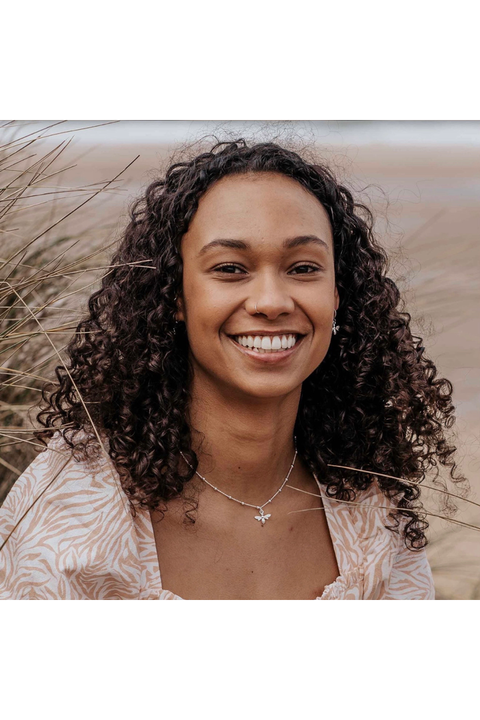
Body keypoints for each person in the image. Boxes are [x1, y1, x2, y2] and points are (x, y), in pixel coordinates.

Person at [0, 139, 464, 600]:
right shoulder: (74, 511)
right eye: (229, 268)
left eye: (303, 268)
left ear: (338, 295)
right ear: (175, 296)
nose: (271, 302)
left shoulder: (368, 505)